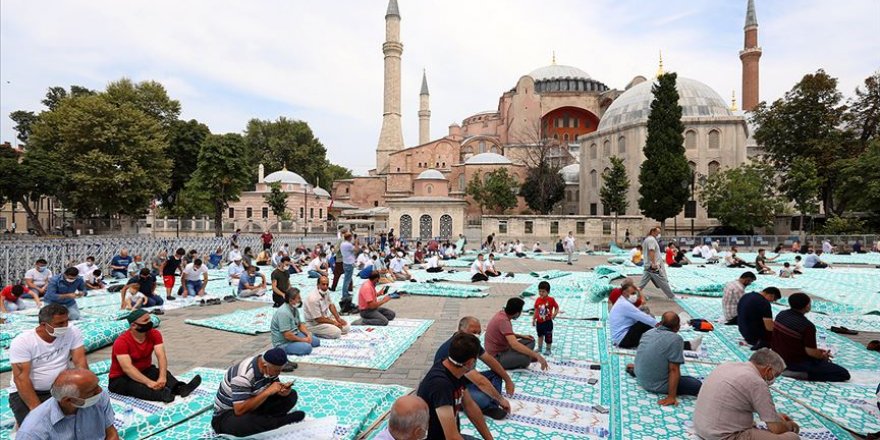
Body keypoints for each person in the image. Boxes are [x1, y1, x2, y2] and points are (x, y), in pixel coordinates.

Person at [8, 304, 88, 426]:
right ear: (44, 325)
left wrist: (85, 389)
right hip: (28, 392)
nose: (65, 326)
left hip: (60, 388)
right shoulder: (23, 342)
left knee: (82, 419)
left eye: (66, 321)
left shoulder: (72, 332)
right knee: (37, 427)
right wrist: (37, 410)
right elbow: (21, 379)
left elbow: (80, 362)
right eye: (59, 324)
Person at [693, 349, 800, 440]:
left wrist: (776, 417)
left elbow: (749, 402)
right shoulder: (757, 382)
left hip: (701, 427)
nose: (773, 379)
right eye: (775, 375)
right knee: (792, 437)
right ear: (768, 370)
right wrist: (789, 426)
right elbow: (776, 429)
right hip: (722, 436)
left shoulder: (727, 365)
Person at [108, 310, 200, 402]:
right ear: (133, 325)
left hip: (145, 370)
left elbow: (161, 356)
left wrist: (162, 377)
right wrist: (149, 382)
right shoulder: (121, 342)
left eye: (149, 319)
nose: (149, 322)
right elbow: (127, 368)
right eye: (145, 321)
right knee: (135, 386)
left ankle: (180, 388)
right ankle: (162, 395)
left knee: (162, 373)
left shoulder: (154, 334)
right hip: (121, 378)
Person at [433, 317, 515, 420]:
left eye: (479, 333)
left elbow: (490, 360)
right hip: (451, 388)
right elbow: (479, 381)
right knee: (483, 398)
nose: (476, 335)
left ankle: (488, 402)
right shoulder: (457, 348)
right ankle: (487, 405)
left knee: (497, 374)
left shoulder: (469, 342)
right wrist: (500, 399)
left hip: (463, 380)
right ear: (460, 331)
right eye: (473, 332)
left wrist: (508, 380)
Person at [211, 348, 305, 437]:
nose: (278, 373)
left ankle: (265, 420)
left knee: (291, 395)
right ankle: (280, 421)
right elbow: (239, 410)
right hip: (228, 415)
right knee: (246, 423)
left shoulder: (268, 365)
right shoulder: (243, 377)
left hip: (254, 404)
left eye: (280, 370)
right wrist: (267, 392)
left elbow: (273, 387)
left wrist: (282, 391)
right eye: (277, 370)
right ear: (264, 366)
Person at [418, 333, 495, 440]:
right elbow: (452, 437)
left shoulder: (454, 370)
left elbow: (470, 406)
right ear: (471, 362)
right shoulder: (441, 385)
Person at [15, 368, 119, 440]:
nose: (100, 391)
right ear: (68, 400)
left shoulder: (100, 397)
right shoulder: (33, 430)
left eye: (97, 385)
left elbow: (111, 433)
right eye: (92, 391)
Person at [772, 293, 850, 382]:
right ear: (807, 306)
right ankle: (800, 374)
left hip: (777, 357)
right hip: (794, 363)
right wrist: (822, 356)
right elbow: (811, 352)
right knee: (843, 374)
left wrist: (818, 352)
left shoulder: (781, 314)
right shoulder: (807, 326)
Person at [631, 312, 703, 406]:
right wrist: (671, 396)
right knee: (696, 384)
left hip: (641, 378)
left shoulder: (648, 333)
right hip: (658, 385)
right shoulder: (676, 339)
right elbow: (674, 369)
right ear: (677, 327)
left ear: (660, 323)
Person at [485, 297, 548, 370]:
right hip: (496, 357)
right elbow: (514, 345)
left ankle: (521, 355)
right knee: (525, 360)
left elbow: (506, 334)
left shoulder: (502, 314)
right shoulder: (503, 321)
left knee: (531, 340)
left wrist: (522, 336)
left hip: (505, 348)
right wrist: (537, 356)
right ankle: (523, 357)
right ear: (517, 313)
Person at [271, 288, 321, 356]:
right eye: (298, 298)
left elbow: (300, 325)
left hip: (294, 334)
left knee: (316, 341)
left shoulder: (294, 308)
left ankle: (299, 343)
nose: (300, 300)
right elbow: (287, 335)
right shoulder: (283, 312)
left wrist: (308, 334)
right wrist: (303, 340)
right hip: (284, 342)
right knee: (307, 348)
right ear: (291, 300)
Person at [638, 227, 675, 299]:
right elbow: (651, 250)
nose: (658, 234)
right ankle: (672, 296)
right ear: (653, 231)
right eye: (658, 233)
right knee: (662, 280)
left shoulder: (647, 239)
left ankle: (634, 293)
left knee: (642, 283)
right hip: (652, 265)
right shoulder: (651, 240)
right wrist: (653, 263)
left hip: (648, 265)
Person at [532, 281, 559, 355]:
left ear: (548, 292)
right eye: (540, 291)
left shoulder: (551, 300)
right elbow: (536, 310)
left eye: (543, 291)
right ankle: (540, 347)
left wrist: (554, 314)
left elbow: (557, 307)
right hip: (539, 322)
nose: (541, 293)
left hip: (548, 322)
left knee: (548, 336)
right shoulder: (538, 300)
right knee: (540, 335)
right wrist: (534, 319)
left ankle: (548, 349)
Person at [341, 232, 356, 299]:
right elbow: (356, 250)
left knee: (347, 279)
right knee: (347, 280)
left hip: (345, 262)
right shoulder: (349, 245)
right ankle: (345, 294)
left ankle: (346, 293)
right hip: (349, 263)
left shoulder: (342, 244)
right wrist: (356, 243)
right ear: (349, 237)